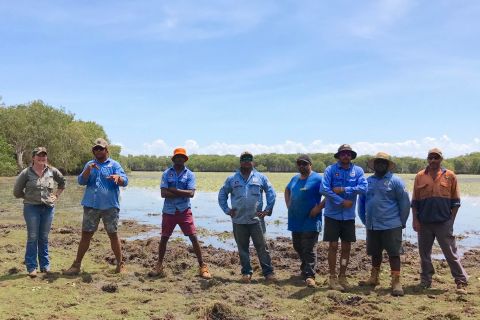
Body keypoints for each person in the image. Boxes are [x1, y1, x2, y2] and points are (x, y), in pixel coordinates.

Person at [63, 138, 128, 275]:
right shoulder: (90, 164)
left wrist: (118, 178)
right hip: (91, 206)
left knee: (113, 234)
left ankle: (120, 264)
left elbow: (125, 181)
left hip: (110, 206)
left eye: (100, 148)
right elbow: (81, 181)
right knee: (86, 235)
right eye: (95, 149)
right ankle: (76, 265)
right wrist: (88, 169)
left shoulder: (114, 164)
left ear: (106, 150)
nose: (98, 151)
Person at [148, 148, 212, 279]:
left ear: (185, 159)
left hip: (184, 210)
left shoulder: (190, 175)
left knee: (193, 237)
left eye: (182, 157)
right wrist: (182, 192)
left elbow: (191, 194)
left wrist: (174, 190)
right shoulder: (166, 173)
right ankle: (159, 265)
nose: (179, 159)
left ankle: (202, 266)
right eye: (177, 157)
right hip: (169, 211)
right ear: (173, 159)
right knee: (164, 238)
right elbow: (163, 193)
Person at [412, 148, 468, 294]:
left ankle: (460, 280)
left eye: (436, 158)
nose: (433, 160)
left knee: (450, 253)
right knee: (424, 254)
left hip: (444, 222)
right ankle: (426, 280)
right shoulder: (420, 176)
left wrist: (451, 221)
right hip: (424, 222)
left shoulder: (450, 176)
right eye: (430, 158)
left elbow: (456, 202)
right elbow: (415, 202)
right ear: (427, 159)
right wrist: (415, 220)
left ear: (441, 159)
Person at [218, 151, 276, 283]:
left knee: (262, 246)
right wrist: (227, 210)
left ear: (253, 162)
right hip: (238, 220)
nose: (246, 161)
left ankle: (268, 272)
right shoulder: (232, 179)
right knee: (242, 247)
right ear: (240, 162)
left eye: (249, 159)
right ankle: (246, 272)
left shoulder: (261, 177)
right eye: (244, 159)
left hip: (256, 220)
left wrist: (267, 210)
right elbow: (222, 194)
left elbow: (271, 193)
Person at [358, 152, 410, 296]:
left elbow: (405, 203)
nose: (380, 164)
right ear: (374, 165)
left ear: (387, 165)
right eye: (378, 162)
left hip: (392, 225)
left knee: (394, 254)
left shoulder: (396, 181)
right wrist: (365, 221)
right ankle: (374, 278)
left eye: (383, 162)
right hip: (372, 225)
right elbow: (361, 204)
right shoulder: (367, 182)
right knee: (375, 253)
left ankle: (396, 281)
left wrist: (402, 222)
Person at [320, 144, 367, 291]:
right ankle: (332, 277)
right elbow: (324, 189)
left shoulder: (358, 171)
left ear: (351, 156)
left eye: (348, 153)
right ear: (339, 156)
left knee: (347, 247)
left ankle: (343, 276)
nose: (345, 156)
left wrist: (343, 189)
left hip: (348, 216)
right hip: (332, 215)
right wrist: (341, 200)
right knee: (333, 246)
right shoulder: (330, 170)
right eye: (343, 153)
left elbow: (364, 188)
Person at [13, 147, 66, 278]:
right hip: (31, 208)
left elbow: (63, 183)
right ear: (33, 158)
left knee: (43, 237)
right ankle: (31, 267)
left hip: (48, 208)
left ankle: (45, 266)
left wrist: (56, 195)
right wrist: (28, 197)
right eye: (39, 156)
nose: (41, 158)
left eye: (44, 156)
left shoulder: (52, 171)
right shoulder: (26, 173)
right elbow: (16, 192)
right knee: (32, 237)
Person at [285, 154, 325, 288]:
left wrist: (318, 208)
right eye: (300, 164)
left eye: (305, 164)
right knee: (297, 246)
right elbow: (287, 189)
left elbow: (330, 195)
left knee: (309, 248)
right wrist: (288, 204)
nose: (302, 166)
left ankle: (310, 275)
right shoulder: (294, 179)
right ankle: (305, 268)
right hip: (295, 220)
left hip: (311, 220)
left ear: (310, 165)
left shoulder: (318, 179)